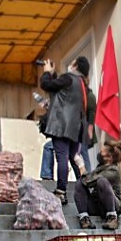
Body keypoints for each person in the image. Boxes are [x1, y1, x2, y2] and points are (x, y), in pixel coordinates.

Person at [40, 57, 89, 205]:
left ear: (75, 65)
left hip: (62, 125)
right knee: (74, 158)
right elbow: (61, 91)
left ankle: (61, 191)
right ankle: (85, 188)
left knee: (61, 157)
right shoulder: (82, 84)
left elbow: (47, 85)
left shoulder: (69, 78)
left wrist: (47, 73)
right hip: (75, 127)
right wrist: (54, 74)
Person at [74, 140, 121, 230]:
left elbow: (89, 181)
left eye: (102, 152)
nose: (100, 154)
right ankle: (84, 219)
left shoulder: (114, 170)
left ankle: (112, 218)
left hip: (113, 205)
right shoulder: (100, 167)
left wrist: (81, 167)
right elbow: (85, 181)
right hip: (98, 204)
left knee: (102, 181)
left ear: (109, 157)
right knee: (79, 183)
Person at [76, 56, 97, 172]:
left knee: (82, 152)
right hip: (78, 129)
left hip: (83, 130)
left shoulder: (89, 95)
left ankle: (88, 175)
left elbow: (91, 113)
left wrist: (89, 130)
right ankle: (86, 175)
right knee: (80, 153)